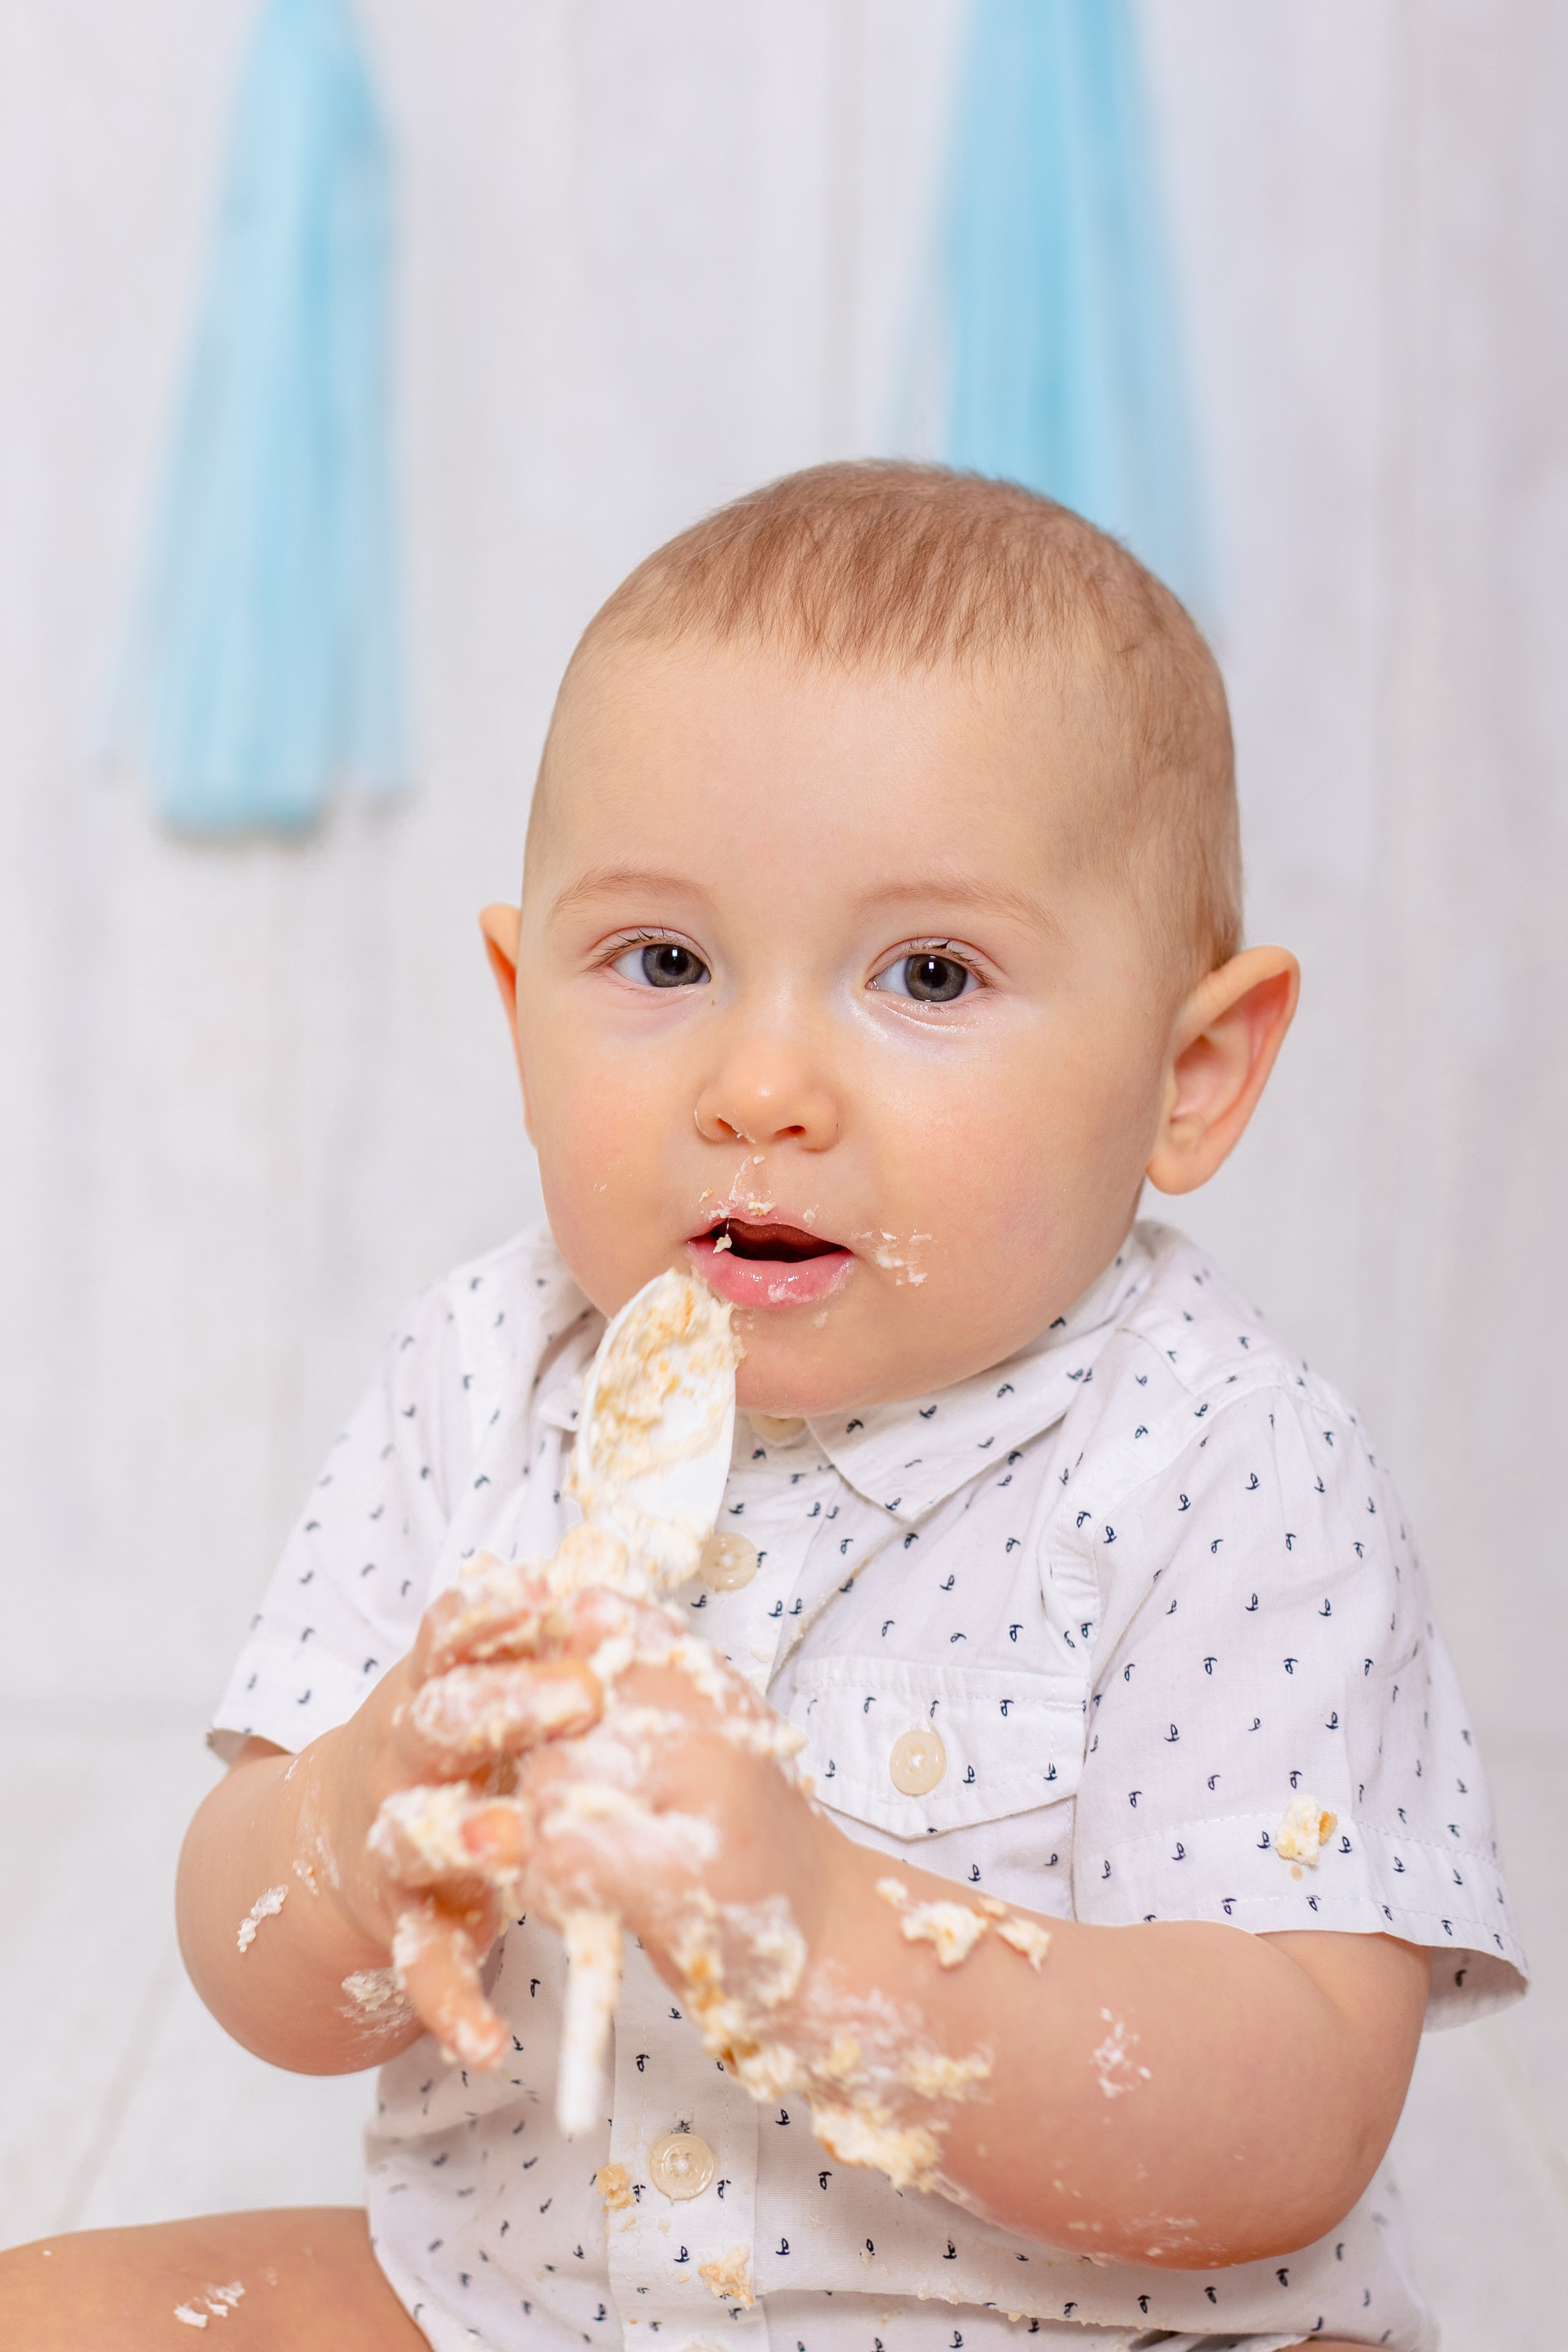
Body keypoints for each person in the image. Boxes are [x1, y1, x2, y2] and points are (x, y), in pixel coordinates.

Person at [0, 464, 1525, 2351]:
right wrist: (355, 1828)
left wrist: (815, 1927)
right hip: (522, 2306)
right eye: (663, 964)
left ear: (1191, 1072)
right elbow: (259, 1968)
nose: (764, 1083)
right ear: (518, 1007)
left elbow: (1292, 2115)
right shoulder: (482, 1382)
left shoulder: (1223, 1463)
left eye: (931, 974)